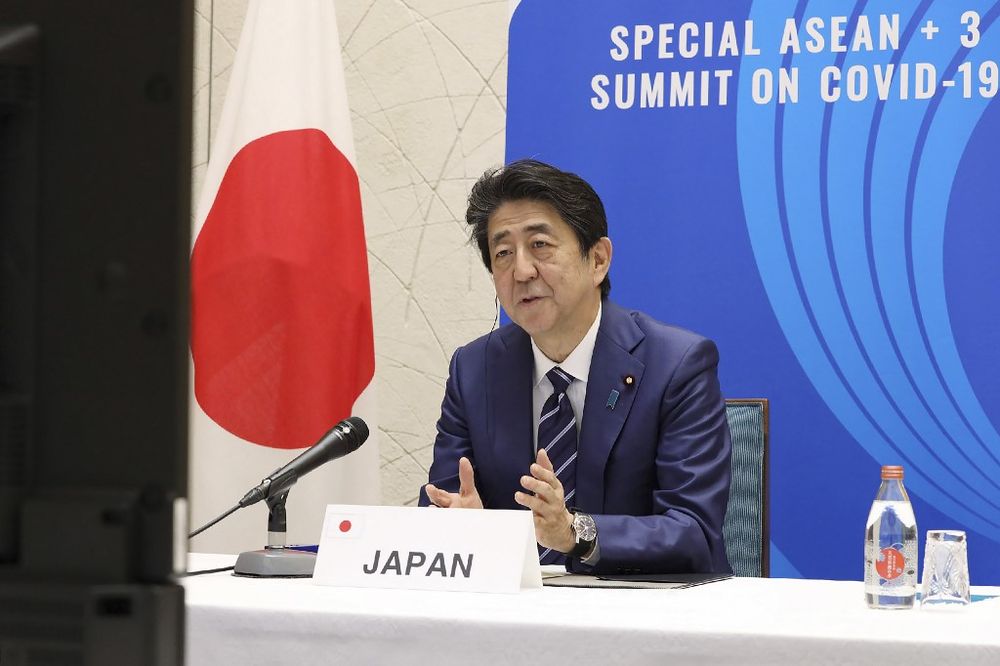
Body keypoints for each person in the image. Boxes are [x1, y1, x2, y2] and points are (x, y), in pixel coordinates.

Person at [419, 159, 731, 574]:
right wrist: (464, 527)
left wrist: (575, 534)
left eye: (540, 246)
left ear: (598, 259)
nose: (522, 271)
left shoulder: (677, 365)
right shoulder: (473, 369)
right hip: (511, 621)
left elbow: (693, 532)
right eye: (503, 253)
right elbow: (440, 504)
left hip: (648, 617)